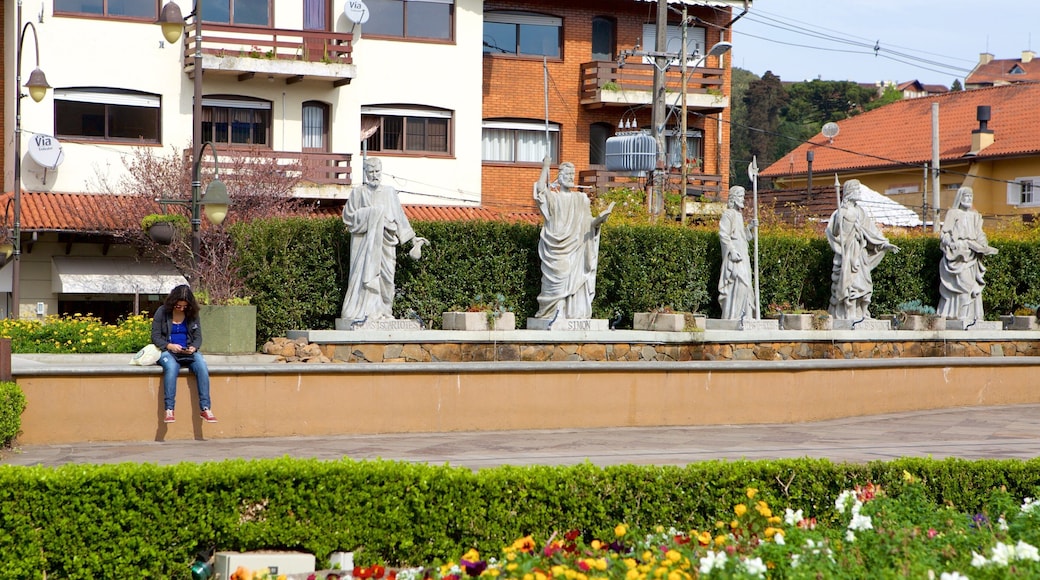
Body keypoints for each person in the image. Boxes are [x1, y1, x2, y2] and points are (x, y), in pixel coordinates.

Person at [341, 157, 428, 322]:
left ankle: (385, 311)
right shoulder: (358, 193)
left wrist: (413, 239)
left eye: (377, 172)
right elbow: (348, 218)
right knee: (365, 278)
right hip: (365, 246)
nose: (374, 175)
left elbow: (400, 218)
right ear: (366, 173)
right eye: (371, 172)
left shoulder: (389, 192)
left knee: (387, 279)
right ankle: (365, 312)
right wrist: (372, 214)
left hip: (386, 244)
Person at [532, 155, 614, 320]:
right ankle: (552, 313)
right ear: (560, 177)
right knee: (556, 281)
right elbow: (541, 189)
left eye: (572, 175)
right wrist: (546, 167)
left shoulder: (581, 199)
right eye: (567, 175)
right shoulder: (553, 197)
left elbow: (588, 223)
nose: (570, 178)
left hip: (576, 247)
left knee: (574, 280)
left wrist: (599, 219)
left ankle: (570, 312)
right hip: (555, 248)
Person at [826, 179, 900, 320]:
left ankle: (863, 313)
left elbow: (871, 231)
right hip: (848, 255)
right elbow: (834, 233)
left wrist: (884, 244)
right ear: (849, 193)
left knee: (865, 284)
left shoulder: (860, 212)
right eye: (857, 190)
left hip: (860, 254)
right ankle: (850, 313)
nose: (859, 193)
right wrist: (839, 220)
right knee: (850, 284)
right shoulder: (841, 212)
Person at [151, 284, 216, 423]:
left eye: (184, 307)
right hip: (168, 351)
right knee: (172, 368)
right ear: (172, 302)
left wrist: (194, 347)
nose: (181, 309)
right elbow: (155, 336)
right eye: (178, 306)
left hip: (188, 351)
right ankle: (169, 409)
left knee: (202, 367)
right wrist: (169, 346)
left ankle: (205, 408)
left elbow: (198, 337)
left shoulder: (192, 314)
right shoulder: (162, 312)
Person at [937, 186, 998, 320]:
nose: (969, 199)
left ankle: (971, 316)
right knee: (965, 285)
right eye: (966, 196)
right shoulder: (953, 213)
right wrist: (951, 243)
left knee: (972, 286)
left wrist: (984, 245)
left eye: (971, 197)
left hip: (972, 255)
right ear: (960, 198)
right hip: (958, 255)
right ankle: (959, 315)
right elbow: (944, 233)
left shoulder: (975, 215)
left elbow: (980, 233)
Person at [718, 186, 758, 319]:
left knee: (746, 286)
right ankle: (732, 315)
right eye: (740, 197)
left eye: (743, 197)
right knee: (739, 283)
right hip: (735, 256)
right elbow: (724, 235)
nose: (743, 200)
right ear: (734, 198)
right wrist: (732, 251)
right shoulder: (728, 214)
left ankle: (745, 315)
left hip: (743, 254)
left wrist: (750, 228)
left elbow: (742, 237)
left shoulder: (739, 216)